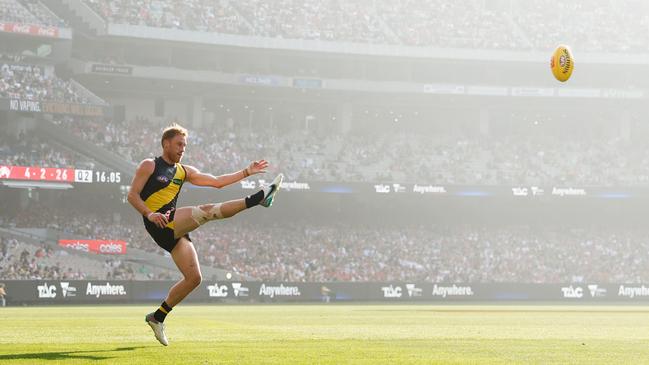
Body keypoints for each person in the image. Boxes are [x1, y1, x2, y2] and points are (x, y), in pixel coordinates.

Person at [127, 123, 283, 346]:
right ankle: (257, 199)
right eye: (179, 144)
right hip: (159, 222)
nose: (183, 149)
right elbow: (132, 195)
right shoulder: (149, 165)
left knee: (194, 279)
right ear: (166, 144)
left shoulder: (184, 171)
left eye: (185, 145)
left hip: (174, 227)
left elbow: (217, 182)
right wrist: (150, 214)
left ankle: (158, 317)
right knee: (206, 212)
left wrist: (247, 172)